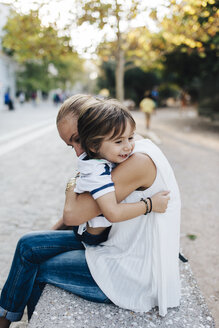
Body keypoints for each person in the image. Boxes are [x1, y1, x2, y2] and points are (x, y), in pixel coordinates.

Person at [0, 94, 179, 328]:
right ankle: (4, 320)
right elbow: (76, 215)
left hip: (133, 273)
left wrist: (75, 177)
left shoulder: (135, 161)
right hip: (115, 247)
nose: (76, 152)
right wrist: (45, 242)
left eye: (77, 139)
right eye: (70, 145)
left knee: (40, 272)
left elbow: (73, 214)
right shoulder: (113, 152)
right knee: (28, 245)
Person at [66, 98, 154, 245]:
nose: (128, 147)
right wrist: (150, 205)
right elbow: (113, 213)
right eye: (119, 141)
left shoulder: (104, 157)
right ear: (94, 146)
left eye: (130, 137)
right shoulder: (98, 173)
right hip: (92, 236)